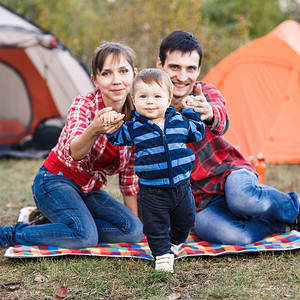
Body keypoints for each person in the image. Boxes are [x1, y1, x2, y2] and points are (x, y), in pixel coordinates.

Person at [156, 30, 300, 245]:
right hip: (198, 201)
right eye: (174, 67)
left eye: (190, 69)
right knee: (234, 236)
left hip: (230, 173)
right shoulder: (149, 104)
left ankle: (294, 208)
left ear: (198, 70)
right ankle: (277, 224)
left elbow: (221, 116)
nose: (182, 76)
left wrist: (209, 113)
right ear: (160, 65)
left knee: (243, 199)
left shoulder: (203, 92)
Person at [0, 42, 144, 249]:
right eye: (106, 73)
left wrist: (135, 222)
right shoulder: (83, 104)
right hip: (55, 181)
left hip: (89, 189)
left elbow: (129, 178)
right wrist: (94, 130)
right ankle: (9, 234)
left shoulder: (138, 117)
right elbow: (74, 152)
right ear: (95, 79)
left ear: (134, 75)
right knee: (85, 237)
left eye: (123, 71)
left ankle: (63, 226)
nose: (117, 81)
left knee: (133, 231)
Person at [103, 68, 205, 272]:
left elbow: (197, 132)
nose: (150, 101)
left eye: (157, 96)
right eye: (143, 96)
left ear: (168, 99)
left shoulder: (179, 121)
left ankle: (174, 244)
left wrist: (192, 112)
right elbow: (116, 138)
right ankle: (161, 254)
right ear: (134, 100)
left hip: (182, 186)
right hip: (152, 191)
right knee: (155, 226)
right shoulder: (134, 127)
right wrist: (111, 123)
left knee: (187, 220)